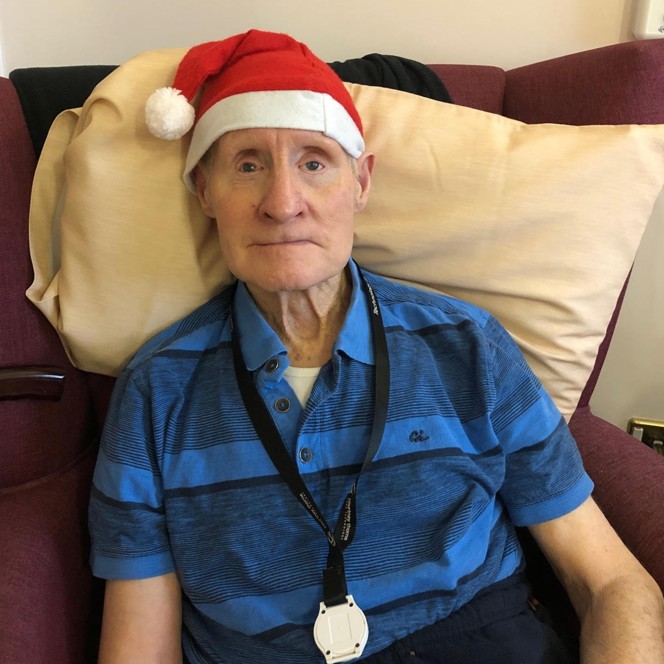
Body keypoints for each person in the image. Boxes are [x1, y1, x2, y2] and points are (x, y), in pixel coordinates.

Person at [88, 29, 664, 664]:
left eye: (314, 162)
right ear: (205, 191)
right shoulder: (155, 391)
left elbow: (611, 581)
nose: (283, 204)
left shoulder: (467, 345)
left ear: (360, 183)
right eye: (248, 164)